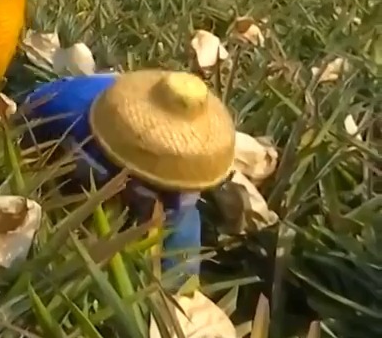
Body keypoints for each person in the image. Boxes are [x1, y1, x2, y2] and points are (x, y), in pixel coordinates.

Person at [17, 70, 236, 287]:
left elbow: (179, 251)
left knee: (179, 272)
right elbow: (24, 122)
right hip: (67, 165)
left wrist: (175, 291)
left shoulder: (184, 176)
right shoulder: (68, 108)